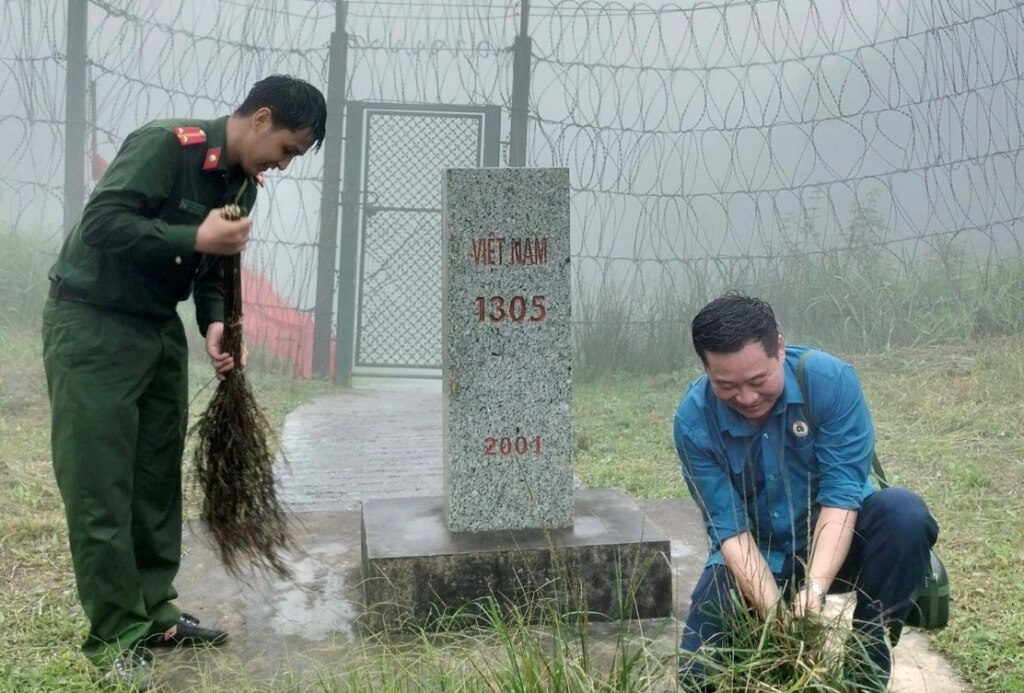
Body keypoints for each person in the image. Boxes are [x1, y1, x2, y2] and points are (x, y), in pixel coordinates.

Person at [42, 74, 327, 687]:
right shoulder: (166, 146)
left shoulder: (242, 186)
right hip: (92, 323)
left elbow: (210, 269)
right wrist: (192, 234)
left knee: (154, 480)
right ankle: (114, 634)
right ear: (261, 118)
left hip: (156, 331)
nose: (281, 166)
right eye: (285, 150)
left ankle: (155, 615)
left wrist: (215, 321)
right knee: (101, 486)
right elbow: (102, 225)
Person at [673, 292, 939, 692]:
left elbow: (841, 498)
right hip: (757, 552)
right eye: (726, 385)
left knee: (904, 514)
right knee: (698, 670)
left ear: (779, 348)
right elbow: (729, 530)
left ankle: (866, 660)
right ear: (705, 368)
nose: (745, 398)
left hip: (840, 538)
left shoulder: (829, 383)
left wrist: (813, 589)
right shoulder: (694, 421)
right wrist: (775, 621)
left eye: (758, 381)